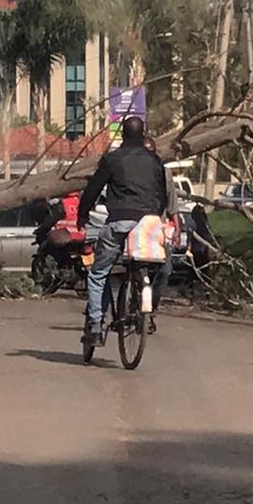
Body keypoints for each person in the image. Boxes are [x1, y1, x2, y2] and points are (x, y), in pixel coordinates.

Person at [76, 116, 169, 339]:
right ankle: (140, 296)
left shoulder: (112, 159)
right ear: (143, 133)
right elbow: (163, 195)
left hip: (119, 220)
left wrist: (83, 215)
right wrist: (155, 215)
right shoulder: (155, 161)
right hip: (148, 223)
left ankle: (96, 325)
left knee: (99, 272)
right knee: (147, 262)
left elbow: (93, 189)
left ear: (123, 135)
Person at [143, 136, 181, 330]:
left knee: (164, 270)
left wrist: (177, 229)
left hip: (158, 231)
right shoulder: (132, 173)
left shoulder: (164, 174)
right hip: (136, 232)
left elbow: (172, 204)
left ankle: (151, 309)